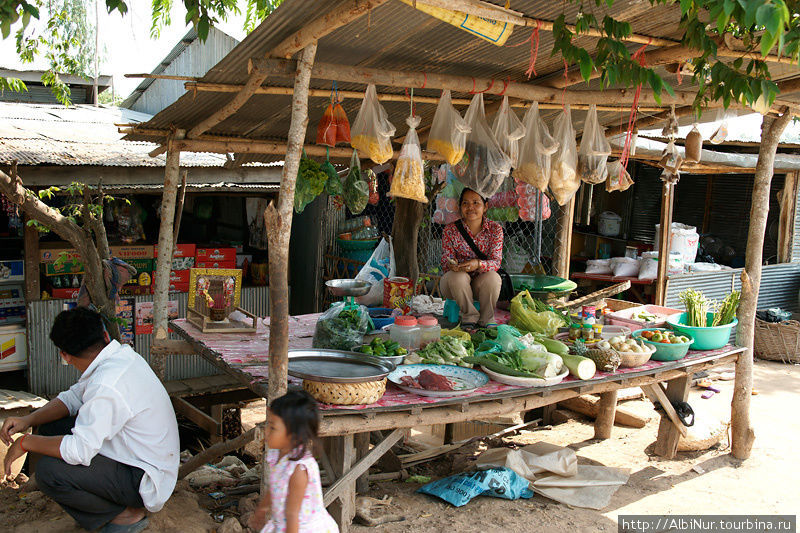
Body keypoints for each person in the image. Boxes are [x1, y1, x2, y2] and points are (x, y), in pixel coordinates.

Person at [1, 307, 179, 533]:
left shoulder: (106, 384)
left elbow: (79, 450)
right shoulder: (118, 356)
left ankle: (125, 516)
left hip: (143, 477)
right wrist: (29, 419)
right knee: (50, 426)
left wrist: (25, 442)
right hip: (138, 455)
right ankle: (102, 505)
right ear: (105, 335)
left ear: (64, 355)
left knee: (49, 472)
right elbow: (73, 397)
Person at [249, 390, 338, 533]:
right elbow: (275, 486)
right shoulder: (277, 454)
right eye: (268, 424)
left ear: (293, 435)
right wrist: (263, 508)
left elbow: (292, 514)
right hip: (284, 523)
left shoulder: (299, 470)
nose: (266, 431)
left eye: (273, 427)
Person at [440, 187, 503, 328]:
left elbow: (496, 262)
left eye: (476, 203)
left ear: (485, 206)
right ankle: (469, 317)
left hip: (481, 285)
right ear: (460, 207)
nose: (470, 208)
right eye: (465, 203)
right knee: (458, 277)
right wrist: (452, 265)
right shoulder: (450, 230)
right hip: (455, 286)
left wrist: (478, 264)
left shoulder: (495, 230)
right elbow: (445, 260)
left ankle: (487, 319)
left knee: (494, 277)